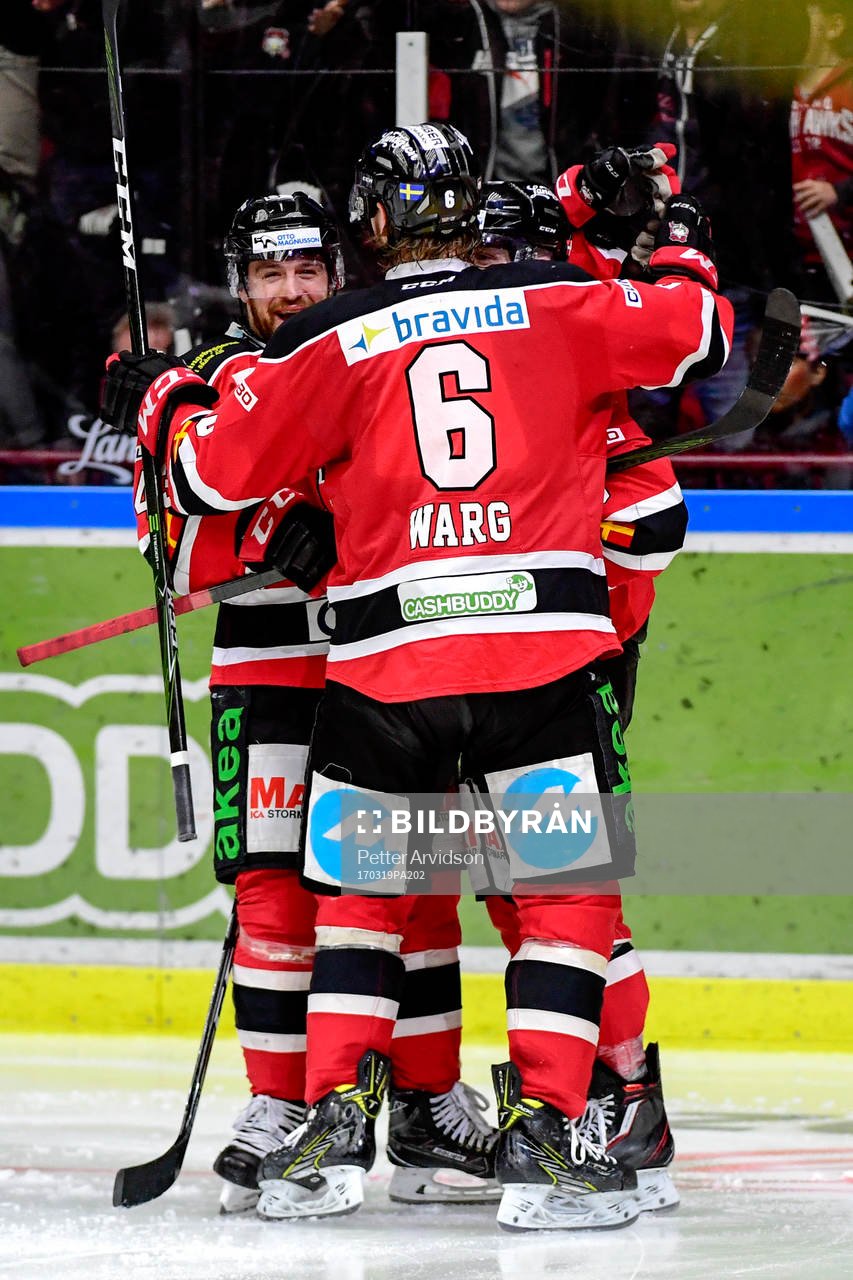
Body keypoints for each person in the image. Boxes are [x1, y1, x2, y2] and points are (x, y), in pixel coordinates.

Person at [103, 121, 732, 1232]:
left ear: (368, 230)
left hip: (380, 664)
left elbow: (210, 469)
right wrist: (673, 239)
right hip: (537, 654)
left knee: (363, 897)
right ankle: (554, 1136)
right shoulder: (555, 300)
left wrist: (164, 400)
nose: (290, 285)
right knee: (562, 894)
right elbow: (698, 337)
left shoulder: (333, 336)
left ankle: (338, 1121)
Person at [141, 190, 497, 1213]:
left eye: (308, 270)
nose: (292, 290)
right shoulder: (207, 380)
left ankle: (425, 1106)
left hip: (387, 660)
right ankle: (282, 1105)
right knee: (274, 893)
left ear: (338, 272)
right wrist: (262, 527)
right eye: (270, 273)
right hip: (269, 664)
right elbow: (177, 538)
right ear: (240, 283)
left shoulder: (378, 349)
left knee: (415, 886)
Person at [473, 176, 682, 1213]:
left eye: (507, 257)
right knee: (508, 891)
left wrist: (552, 528)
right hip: (477, 666)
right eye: (480, 257)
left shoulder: (573, 371)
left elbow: (656, 521)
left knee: (562, 888)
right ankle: (600, 1089)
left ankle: (624, 1092)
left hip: (572, 669)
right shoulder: (470, 368)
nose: (489, 277)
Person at [791, 0, 853, 305]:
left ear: (834, 26)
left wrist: (840, 192)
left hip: (847, 251)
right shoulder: (781, 90)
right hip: (798, 256)